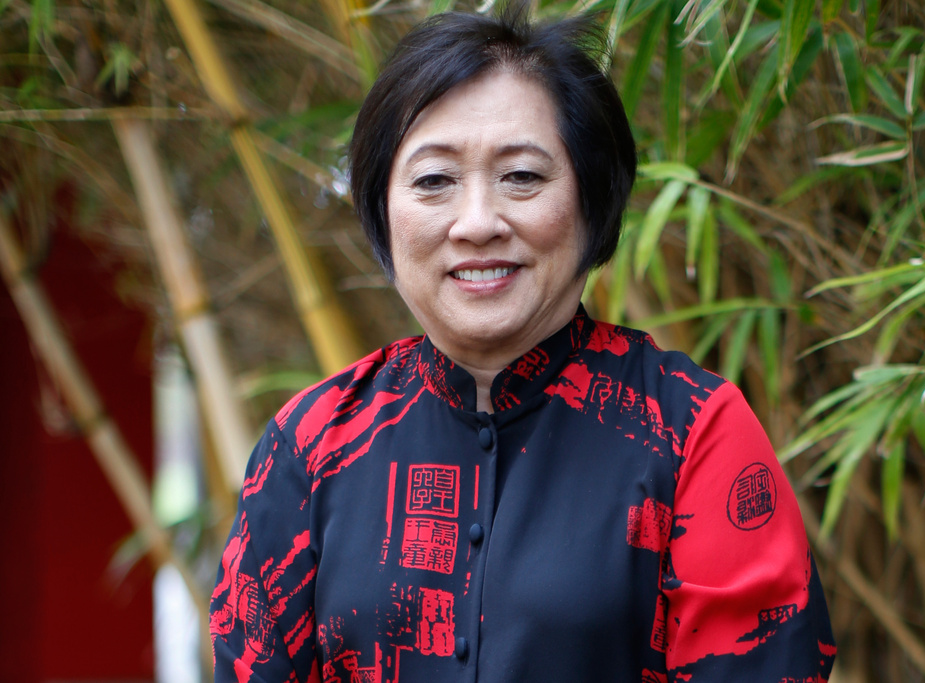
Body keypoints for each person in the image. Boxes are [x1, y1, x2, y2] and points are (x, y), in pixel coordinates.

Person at [209, 5, 836, 682]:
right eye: (434, 181)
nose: (477, 223)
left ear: (594, 202)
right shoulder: (311, 443)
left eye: (522, 177)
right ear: (381, 211)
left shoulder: (692, 432)